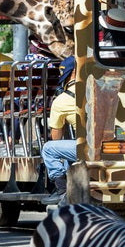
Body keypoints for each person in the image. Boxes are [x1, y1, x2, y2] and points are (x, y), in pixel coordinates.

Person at [41, 55, 77, 203]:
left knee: (49, 148)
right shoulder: (105, 88)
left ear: (70, 74)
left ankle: (61, 189)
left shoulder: (61, 100)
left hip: (87, 148)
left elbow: (56, 137)